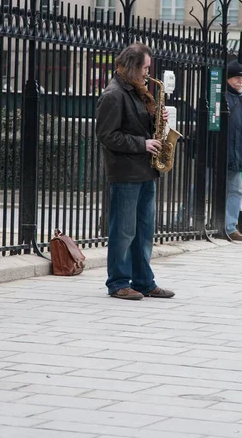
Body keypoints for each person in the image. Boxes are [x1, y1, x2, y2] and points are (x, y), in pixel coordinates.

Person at [96, 42, 175, 300]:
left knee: (143, 231)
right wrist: (142, 144)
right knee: (124, 231)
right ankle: (118, 282)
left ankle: (143, 281)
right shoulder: (113, 94)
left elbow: (139, 126)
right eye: (145, 68)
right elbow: (107, 136)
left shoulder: (137, 91)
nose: (147, 73)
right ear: (132, 66)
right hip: (126, 174)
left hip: (145, 171)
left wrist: (156, 118)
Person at [225, 59, 242, 241]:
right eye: (235, 77)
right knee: (204, 189)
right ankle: (184, 218)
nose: (240, 81)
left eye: (241, 78)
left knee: (235, 191)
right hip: (221, 155)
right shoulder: (224, 98)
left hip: (237, 156)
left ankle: (230, 227)